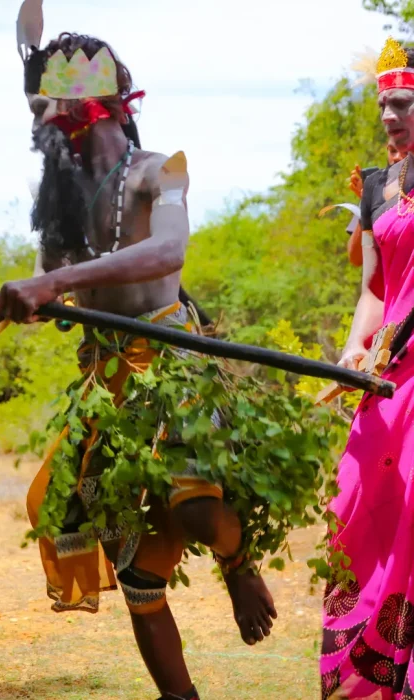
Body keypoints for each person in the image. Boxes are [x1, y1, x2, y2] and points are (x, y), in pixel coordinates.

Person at [0, 5, 277, 698]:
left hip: (174, 367)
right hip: (107, 384)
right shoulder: (64, 209)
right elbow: (59, 294)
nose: (51, 138)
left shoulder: (159, 171)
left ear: (105, 111)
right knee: (138, 567)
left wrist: (56, 280)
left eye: (58, 119)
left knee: (196, 514)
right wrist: (29, 304)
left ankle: (237, 561)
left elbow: (169, 250)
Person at [321, 38, 414, 699]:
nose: (389, 116)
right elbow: (376, 291)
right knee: (354, 504)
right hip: (387, 378)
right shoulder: (378, 187)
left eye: (403, 103)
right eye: (384, 104)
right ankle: (359, 682)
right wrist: (352, 353)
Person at [345, 141, 406, 267]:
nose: (397, 157)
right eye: (392, 151)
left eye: (405, 151)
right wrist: (367, 209)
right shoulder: (377, 191)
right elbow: (356, 258)